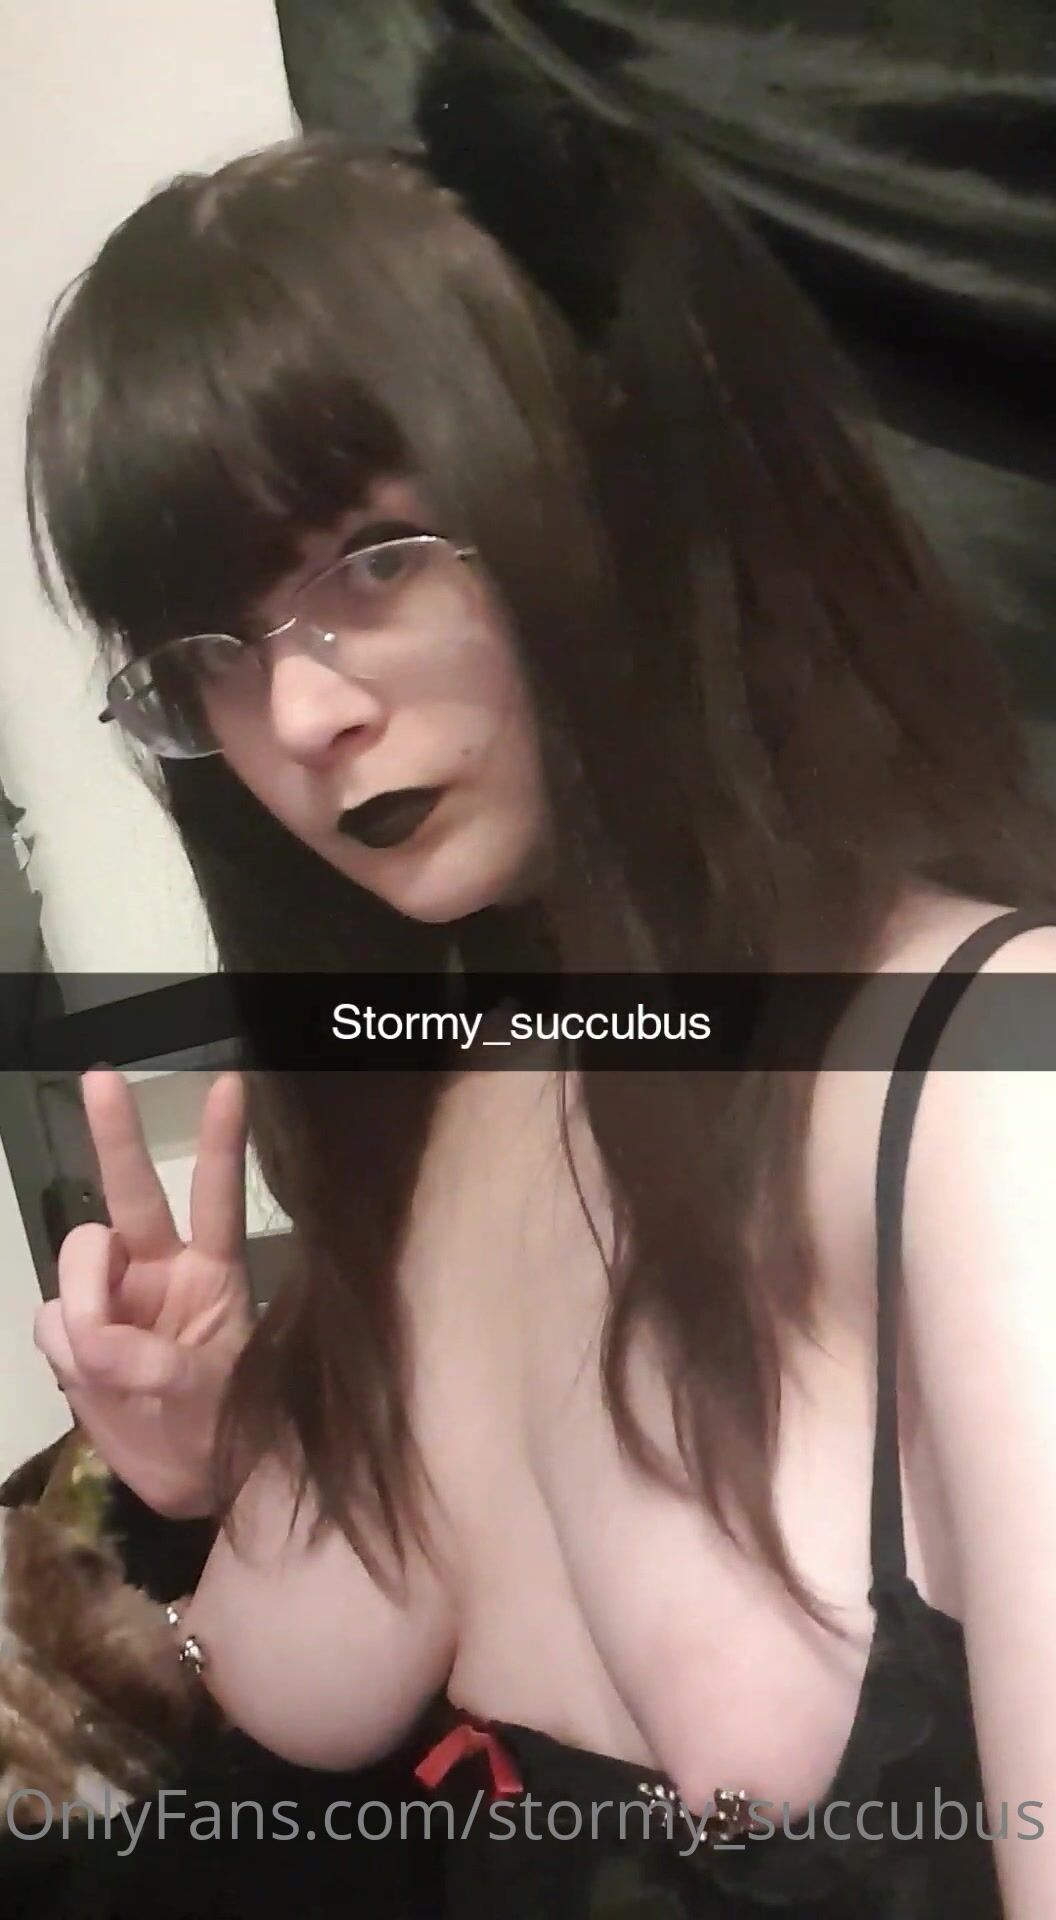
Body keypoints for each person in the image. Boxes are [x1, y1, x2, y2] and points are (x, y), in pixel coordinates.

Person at [20, 29, 1056, 1919]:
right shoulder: (458, 1094)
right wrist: (190, 1479)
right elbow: (261, 1708)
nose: (300, 719)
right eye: (211, 653)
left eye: (374, 562)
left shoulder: (986, 1094)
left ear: (612, 488)